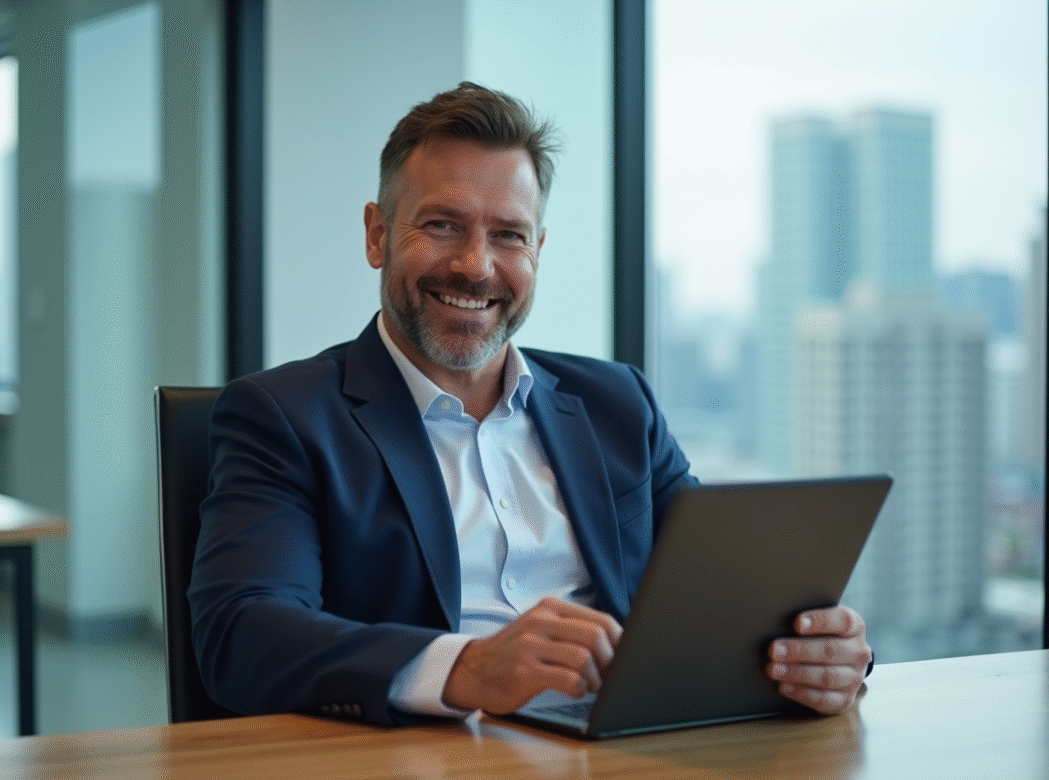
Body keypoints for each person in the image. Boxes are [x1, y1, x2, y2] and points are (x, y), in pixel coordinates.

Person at [189, 82, 873, 726]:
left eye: (508, 235)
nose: (477, 266)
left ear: (538, 252)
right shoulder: (283, 415)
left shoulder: (619, 404)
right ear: (377, 235)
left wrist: (822, 651)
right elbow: (242, 632)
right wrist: (470, 668)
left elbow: (717, 593)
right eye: (443, 225)